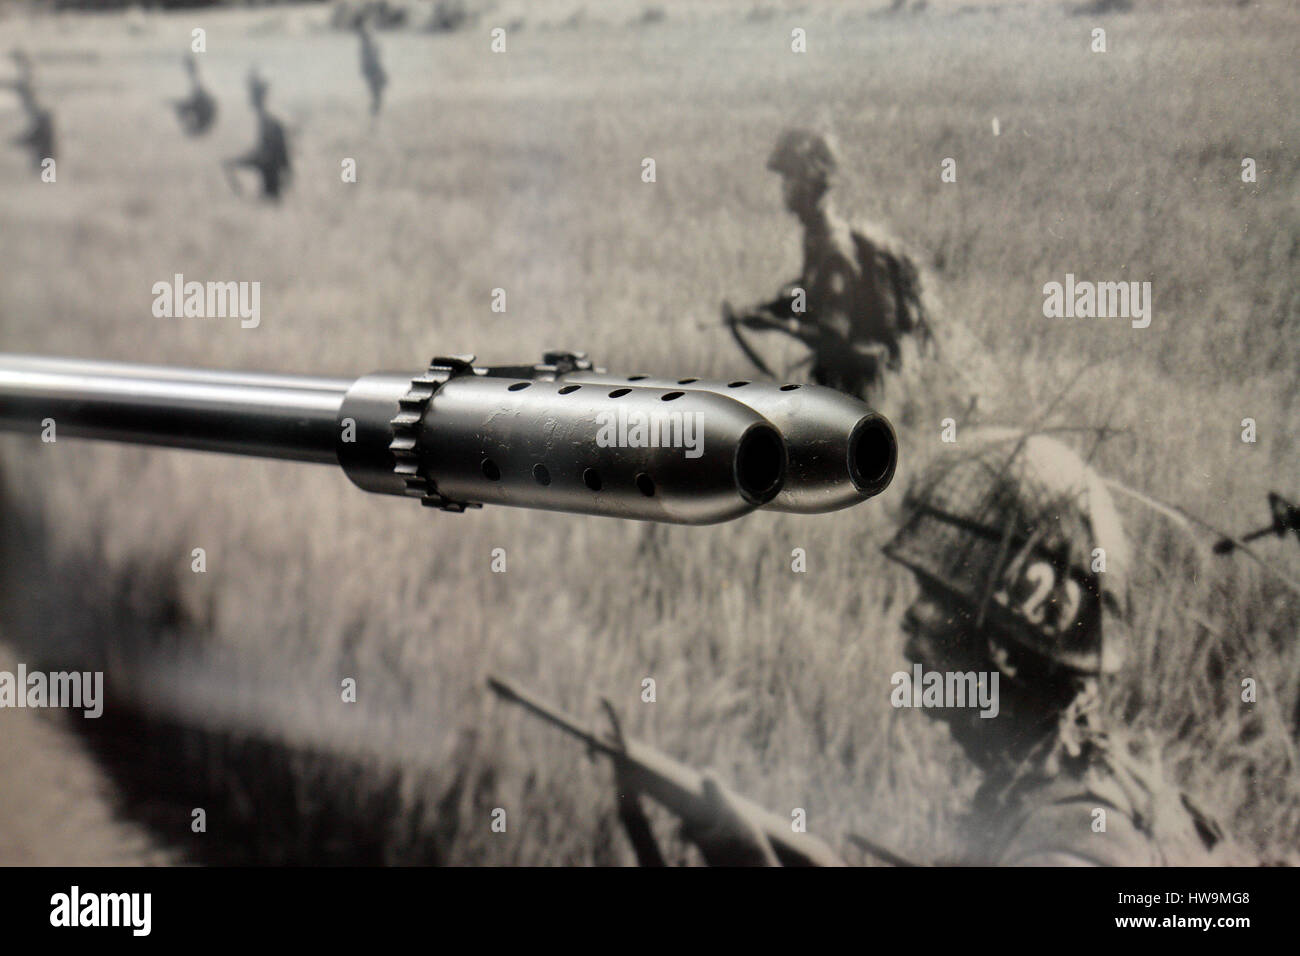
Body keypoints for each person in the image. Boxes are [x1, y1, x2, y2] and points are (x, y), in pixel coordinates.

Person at [615, 429, 1245, 866]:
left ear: (1000, 653)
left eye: (935, 607)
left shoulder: (1068, 847)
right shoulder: (1101, 783)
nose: (909, 629)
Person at [724, 127, 935, 400]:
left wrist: (778, 325)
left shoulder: (835, 250)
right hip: (840, 386)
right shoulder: (815, 238)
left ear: (810, 181)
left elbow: (835, 338)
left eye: (789, 177)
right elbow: (810, 301)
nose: (784, 188)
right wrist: (764, 311)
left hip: (858, 393)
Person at [222, 69, 291, 200]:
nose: (249, 98)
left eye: (251, 94)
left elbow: (264, 156)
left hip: (272, 189)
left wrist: (238, 162)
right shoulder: (269, 121)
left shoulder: (269, 124)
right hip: (272, 186)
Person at [170, 53, 217, 137]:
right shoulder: (200, 94)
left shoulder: (201, 99)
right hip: (202, 111)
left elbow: (189, 107)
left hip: (202, 113)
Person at [356, 19, 388, 117]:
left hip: (373, 69)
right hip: (372, 69)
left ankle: (376, 108)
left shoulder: (368, 44)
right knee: (375, 89)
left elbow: (374, 56)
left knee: (376, 89)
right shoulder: (367, 45)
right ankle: (376, 108)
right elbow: (371, 57)